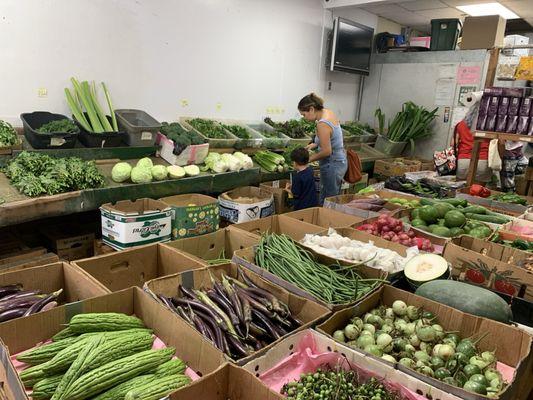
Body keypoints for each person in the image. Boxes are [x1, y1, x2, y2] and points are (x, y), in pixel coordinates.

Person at [298, 93, 347, 204]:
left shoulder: (322, 124)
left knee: (328, 200)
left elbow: (327, 151)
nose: (304, 118)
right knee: (333, 196)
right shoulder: (327, 112)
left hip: (332, 163)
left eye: (304, 115)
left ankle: (327, 220)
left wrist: (308, 159)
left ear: (311, 109)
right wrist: (315, 144)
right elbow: (331, 136)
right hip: (339, 160)